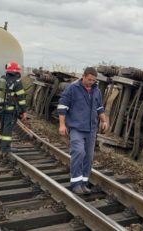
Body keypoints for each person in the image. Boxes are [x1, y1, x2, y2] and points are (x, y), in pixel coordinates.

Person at [57, 67, 109, 195]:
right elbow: (62, 107)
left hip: (91, 129)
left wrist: (104, 120)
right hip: (77, 128)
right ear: (84, 76)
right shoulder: (72, 88)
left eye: (94, 80)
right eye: (89, 79)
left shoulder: (96, 90)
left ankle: (84, 183)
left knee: (89, 157)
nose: (91, 82)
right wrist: (62, 125)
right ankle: (75, 184)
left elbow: (99, 107)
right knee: (79, 152)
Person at [0, 61, 27, 155]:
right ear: (16, 71)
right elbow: (21, 99)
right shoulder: (17, 82)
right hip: (11, 110)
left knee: (3, 126)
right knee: (8, 128)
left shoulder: (1, 79)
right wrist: (24, 111)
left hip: (1, 108)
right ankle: (6, 148)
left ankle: (1, 145)